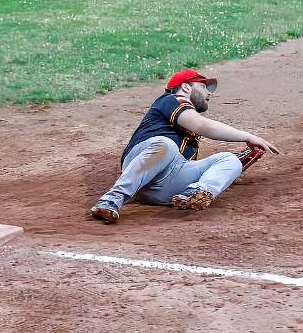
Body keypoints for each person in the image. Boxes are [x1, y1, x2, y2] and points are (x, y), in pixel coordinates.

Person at [90, 69, 282, 224]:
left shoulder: (187, 130)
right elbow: (203, 125)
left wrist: (228, 169)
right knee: (167, 146)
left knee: (228, 159)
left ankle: (195, 193)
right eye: (203, 86)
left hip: (162, 189)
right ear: (186, 86)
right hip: (140, 164)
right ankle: (111, 199)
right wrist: (248, 136)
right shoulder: (169, 100)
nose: (209, 93)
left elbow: (185, 160)